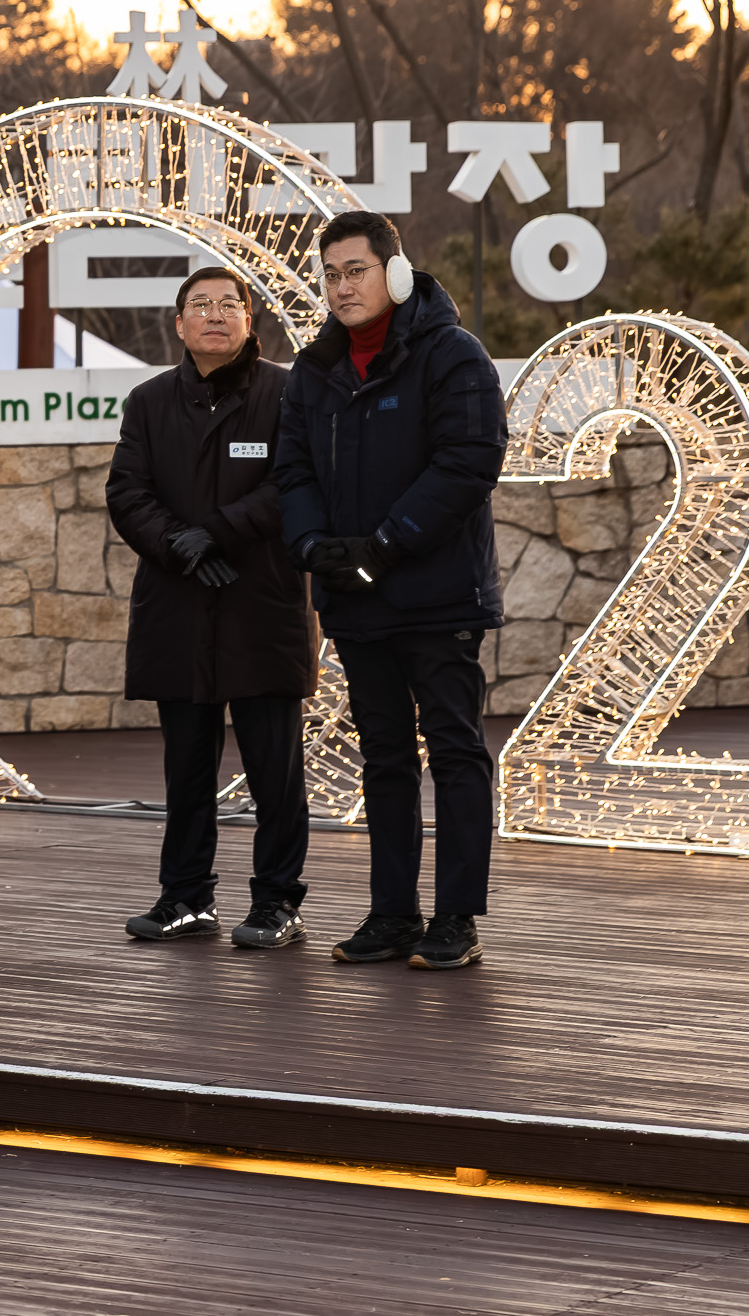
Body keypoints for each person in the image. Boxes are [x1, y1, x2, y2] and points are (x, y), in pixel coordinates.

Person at [274, 211, 508, 971]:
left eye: (356, 270)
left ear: (395, 273)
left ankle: (456, 917)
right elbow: (293, 470)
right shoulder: (315, 370)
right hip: (358, 597)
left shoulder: (453, 355)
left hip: (439, 596)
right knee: (382, 755)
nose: (343, 286)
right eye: (332, 274)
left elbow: (470, 462)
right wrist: (315, 545)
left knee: (455, 750)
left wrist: (388, 540)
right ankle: (393, 913)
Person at [107, 269, 314, 949]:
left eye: (230, 304)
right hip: (178, 605)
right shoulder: (148, 401)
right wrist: (181, 544)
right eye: (201, 305)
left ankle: (278, 901)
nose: (216, 315)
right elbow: (127, 491)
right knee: (186, 767)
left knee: (274, 769)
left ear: (250, 320)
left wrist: (219, 530)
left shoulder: (288, 393)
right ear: (179, 324)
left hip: (262, 605)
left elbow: (298, 482)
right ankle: (185, 896)